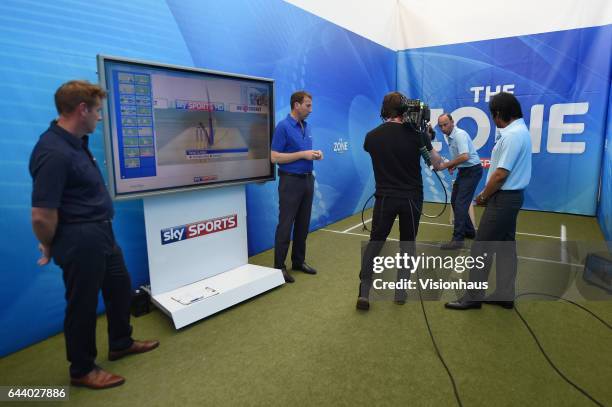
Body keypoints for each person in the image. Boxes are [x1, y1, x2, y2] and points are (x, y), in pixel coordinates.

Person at [30, 80, 159, 389]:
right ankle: (82, 369)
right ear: (82, 109)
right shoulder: (53, 151)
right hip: (78, 239)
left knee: (119, 287)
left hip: (101, 234)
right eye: (98, 111)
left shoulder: (76, 142)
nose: (100, 118)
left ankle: (120, 342)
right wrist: (48, 245)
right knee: (83, 304)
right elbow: (41, 214)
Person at [445, 92, 532, 310]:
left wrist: (483, 196)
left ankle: (473, 297)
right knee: (505, 247)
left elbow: (501, 174)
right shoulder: (520, 131)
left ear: (500, 114)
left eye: (493, 115)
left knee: (480, 247)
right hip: (511, 198)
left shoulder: (512, 135)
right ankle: (504, 294)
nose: (493, 120)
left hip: (503, 198)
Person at [357, 92, 443, 310]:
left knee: (376, 241)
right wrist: (426, 136)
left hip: (385, 198)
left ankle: (364, 291)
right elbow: (437, 163)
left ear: (385, 110)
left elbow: (372, 148)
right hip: (411, 198)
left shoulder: (371, 136)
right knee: (408, 244)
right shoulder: (417, 134)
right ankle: (400, 290)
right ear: (405, 110)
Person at [271, 91, 323, 283]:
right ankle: (279, 267)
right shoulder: (283, 127)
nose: (311, 109)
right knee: (286, 224)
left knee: (303, 224)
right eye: (307, 105)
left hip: (307, 180)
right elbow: (274, 157)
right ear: (296, 105)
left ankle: (298, 261)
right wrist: (302, 154)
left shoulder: (306, 126)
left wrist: (314, 154)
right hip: (290, 182)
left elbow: (303, 153)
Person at [437, 113, 483, 249]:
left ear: (452, 122)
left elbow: (465, 156)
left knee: (460, 203)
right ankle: (469, 231)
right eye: (440, 126)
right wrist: (454, 165)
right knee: (455, 201)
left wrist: (447, 164)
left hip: (472, 171)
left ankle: (458, 240)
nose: (443, 128)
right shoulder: (449, 136)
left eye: (445, 124)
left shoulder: (459, 135)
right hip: (464, 171)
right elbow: (461, 158)